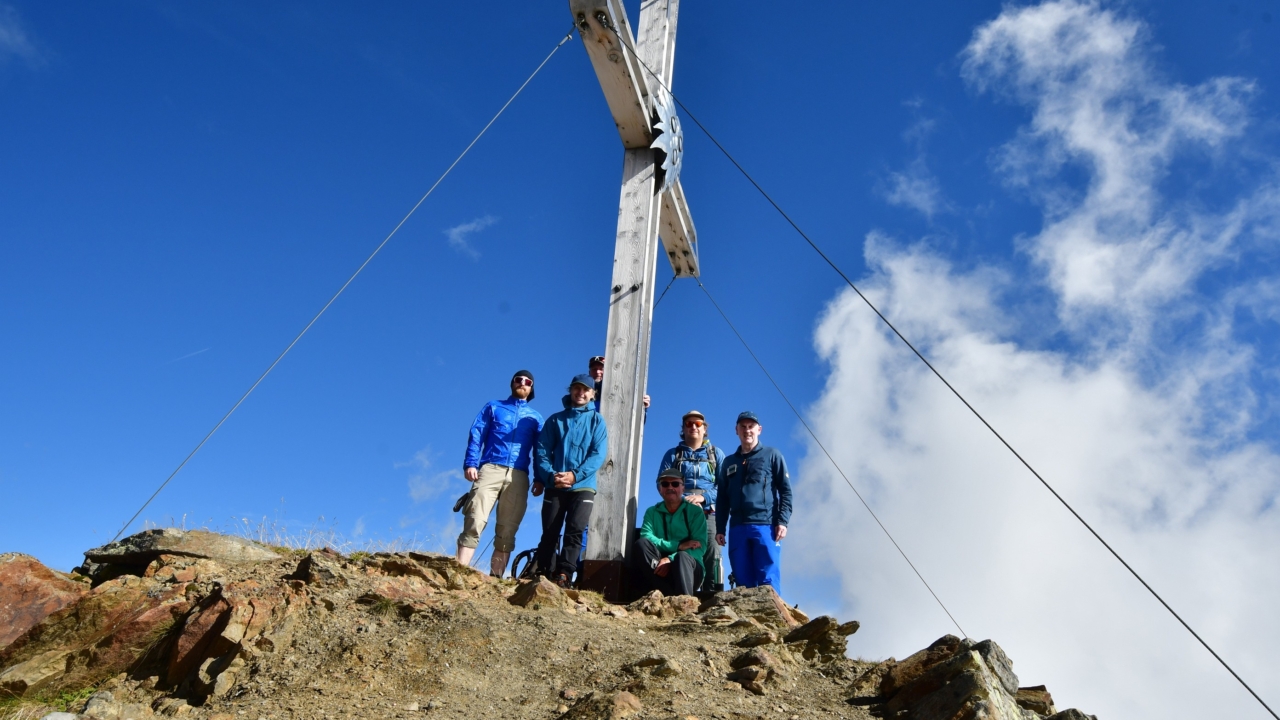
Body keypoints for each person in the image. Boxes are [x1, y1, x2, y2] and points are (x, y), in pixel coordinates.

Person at [457, 370, 544, 577]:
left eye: (527, 381)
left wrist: (540, 478)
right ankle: (458, 572)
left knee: (508, 529)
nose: (522, 383)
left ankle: (495, 580)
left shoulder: (535, 418)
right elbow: (477, 433)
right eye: (518, 379)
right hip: (490, 468)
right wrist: (471, 463)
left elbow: (540, 450)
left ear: (532, 388)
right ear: (512, 383)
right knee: (475, 518)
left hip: (518, 475)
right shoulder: (493, 407)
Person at [533, 373, 608, 587]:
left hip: (583, 486)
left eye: (586, 389)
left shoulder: (597, 421)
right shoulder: (555, 419)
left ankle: (565, 575)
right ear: (571, 390)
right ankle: (544, 572)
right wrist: (551, 475)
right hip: (555, 484)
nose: (580, 392)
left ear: (593, 394)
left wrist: (575, 475)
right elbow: (542, 451)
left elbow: (598, 454)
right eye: (577, 388)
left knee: (574, 531)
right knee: (550, 531)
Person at [715, 411, 793, 597]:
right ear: (736, 430)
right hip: (737, 528)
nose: (747, 430)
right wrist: (720, 528)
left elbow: (785, 491)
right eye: (743, 426)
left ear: (759, 430)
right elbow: (722, 498)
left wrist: (783, 521)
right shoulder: (728, 462)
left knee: (768, 580)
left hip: (766, 526)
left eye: (751, 426)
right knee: (743, 583)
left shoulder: (772, 455)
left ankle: (773, 615)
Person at [656, 410, 725, 592]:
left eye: (698, 424)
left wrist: (703, 498)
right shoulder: (673, 454)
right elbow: (661, 483)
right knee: (681, 552)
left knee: (712, 553)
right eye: (689, 424)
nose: (693, 427)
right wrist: (683, 501)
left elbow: (725, 487)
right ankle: (682, 595)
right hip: (680, 513)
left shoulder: (716, 454)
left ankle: (711, 597)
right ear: (683, 429)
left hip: (709, 513)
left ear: (704, 429)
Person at [634, 466, 707, 596]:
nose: (670, 487)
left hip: (690, 571)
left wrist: (671, 559)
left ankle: (685, 603)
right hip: (661, 571)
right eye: (665, 484)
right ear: (660, 489)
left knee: (682, 557)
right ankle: (665, 595)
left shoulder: (695, 512)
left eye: (675, 484)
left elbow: (700, 546)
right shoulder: (652, 512)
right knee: (641, 544)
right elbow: (646, 536)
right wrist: (678, 546)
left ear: (683, 488)